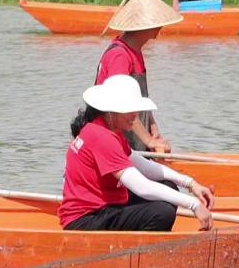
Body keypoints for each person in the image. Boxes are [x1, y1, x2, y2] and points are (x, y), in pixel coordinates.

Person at [60, 75, 216, 232]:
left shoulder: (108, 130)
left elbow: (145, 166)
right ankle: (133, 251)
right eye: (129, 109)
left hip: (106, 205)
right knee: (163, 213)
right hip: (86, 220)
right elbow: (141, 186)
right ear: (110, 111)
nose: (135, 115)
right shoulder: (101, 136)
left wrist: (191, 184)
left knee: (169, 186)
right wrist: (194, 205)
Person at [97, 0, 182, 153]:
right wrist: (148, 141)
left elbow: (139, 98)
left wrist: (152, 126)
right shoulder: (119, 56)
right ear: (145, 26)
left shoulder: (135, 51)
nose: (161, 26)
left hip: (132, 139)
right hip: (113, 141)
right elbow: (121, 105)